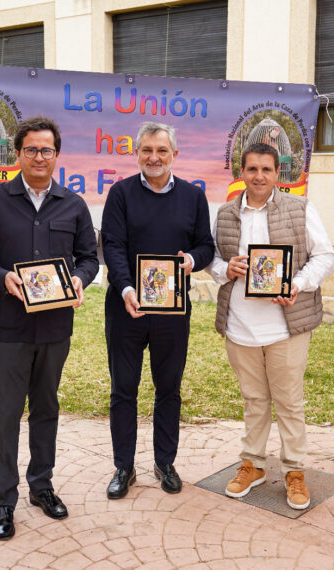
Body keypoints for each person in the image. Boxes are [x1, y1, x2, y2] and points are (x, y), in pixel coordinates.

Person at [0, 116, 99, 540]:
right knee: (6, 415)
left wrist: (80, 279)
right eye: (32, 149)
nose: (40, 157)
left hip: (55, 328)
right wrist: (2, 277)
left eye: (47, 150)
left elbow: (89, 258)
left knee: (46, 409)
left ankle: (42, 486)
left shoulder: (73, 205)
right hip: (9, 328)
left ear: (57, 155)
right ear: (18, 154)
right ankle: (4, 501)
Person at [209, 143, 334, 509]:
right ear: (242, 172)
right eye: (252, 169)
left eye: (266, 170)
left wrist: (297, 284)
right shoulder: (227, 213)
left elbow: (324, 254)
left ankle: (294, 469)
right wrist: (224, 269)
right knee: (254, 400)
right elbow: (215, 259)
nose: (259, 176)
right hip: (240, 325)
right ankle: (254, 464)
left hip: (285, 326)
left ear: (277, 174)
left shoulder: (299, 209)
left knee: (289, 402)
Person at [100, 121, 215, 499]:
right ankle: (124, 466)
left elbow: (205, 246)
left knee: (169, 389)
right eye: (146, 150)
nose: (154, 157)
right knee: (124, 390)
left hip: (172, 312)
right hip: (127, 307)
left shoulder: (194, 198)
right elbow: (112, 247)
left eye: (161, 150)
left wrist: (192, 260)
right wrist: (127, 287)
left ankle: (165, 462)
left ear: (174, 155)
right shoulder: (120, 194)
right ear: (137, 154)